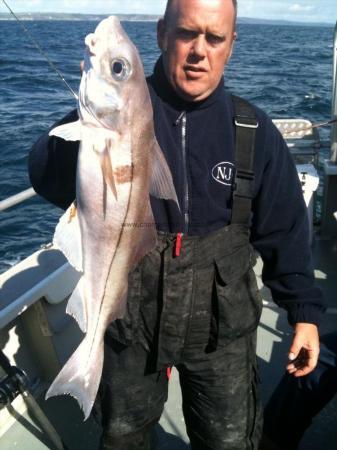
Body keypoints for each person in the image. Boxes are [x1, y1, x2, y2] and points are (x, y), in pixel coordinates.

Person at [28, 1, 325, 449]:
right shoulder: (120, 109)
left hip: (220, 331)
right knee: (123, 435)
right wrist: (90, 124)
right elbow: (46, 179)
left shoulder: (253, 131)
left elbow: (284, 229)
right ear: (162, 33)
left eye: (215, 37)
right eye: (188, 33)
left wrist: (303, 313)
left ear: (232, 44)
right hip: (131, 322)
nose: (198, 51)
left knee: (228, 439)